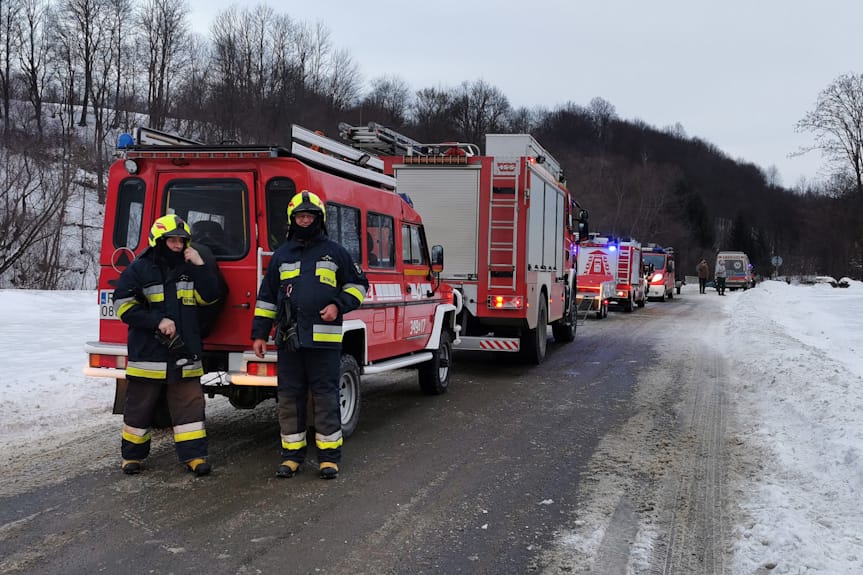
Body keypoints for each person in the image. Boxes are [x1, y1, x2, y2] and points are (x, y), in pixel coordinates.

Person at [251, 190, 368, 480]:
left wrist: (337, 305)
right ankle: (292, 457)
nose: (305, 221)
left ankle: (329, 459)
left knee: (326, 397)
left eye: (310, 216)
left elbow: (359, 286)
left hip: (324, 343)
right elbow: (267, 298)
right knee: (289, 398)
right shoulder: (281, 255)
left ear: (319, 219)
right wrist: (259, 334)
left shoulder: (335, 252)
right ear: (293, 220)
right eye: (300, 216)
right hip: (289, 341)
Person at [112, 214, 221, 476]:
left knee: (190, 409)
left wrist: (201, 265)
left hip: (184, 352)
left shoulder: (191, 267)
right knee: (139, 408)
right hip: (148, 353)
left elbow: (210, 298)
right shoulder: (139, 268)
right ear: (159, 240)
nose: (177, 244)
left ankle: (194, 457)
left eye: (182, 240)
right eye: (172, 240)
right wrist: (156, 320)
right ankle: (132, 457)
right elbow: (122, 306)